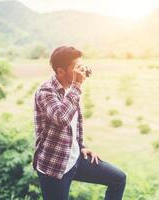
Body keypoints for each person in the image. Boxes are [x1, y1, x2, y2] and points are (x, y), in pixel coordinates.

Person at [32, 45, 127, 200]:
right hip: (54, 168)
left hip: (75, 158)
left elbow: (73, 125)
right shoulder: (45, 92)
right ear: (60, 71)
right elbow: (62, 118)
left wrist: (82, 146)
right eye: (76, 68)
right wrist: (77, 85)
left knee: (118, 178)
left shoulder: (70, 89)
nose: (80, 71)